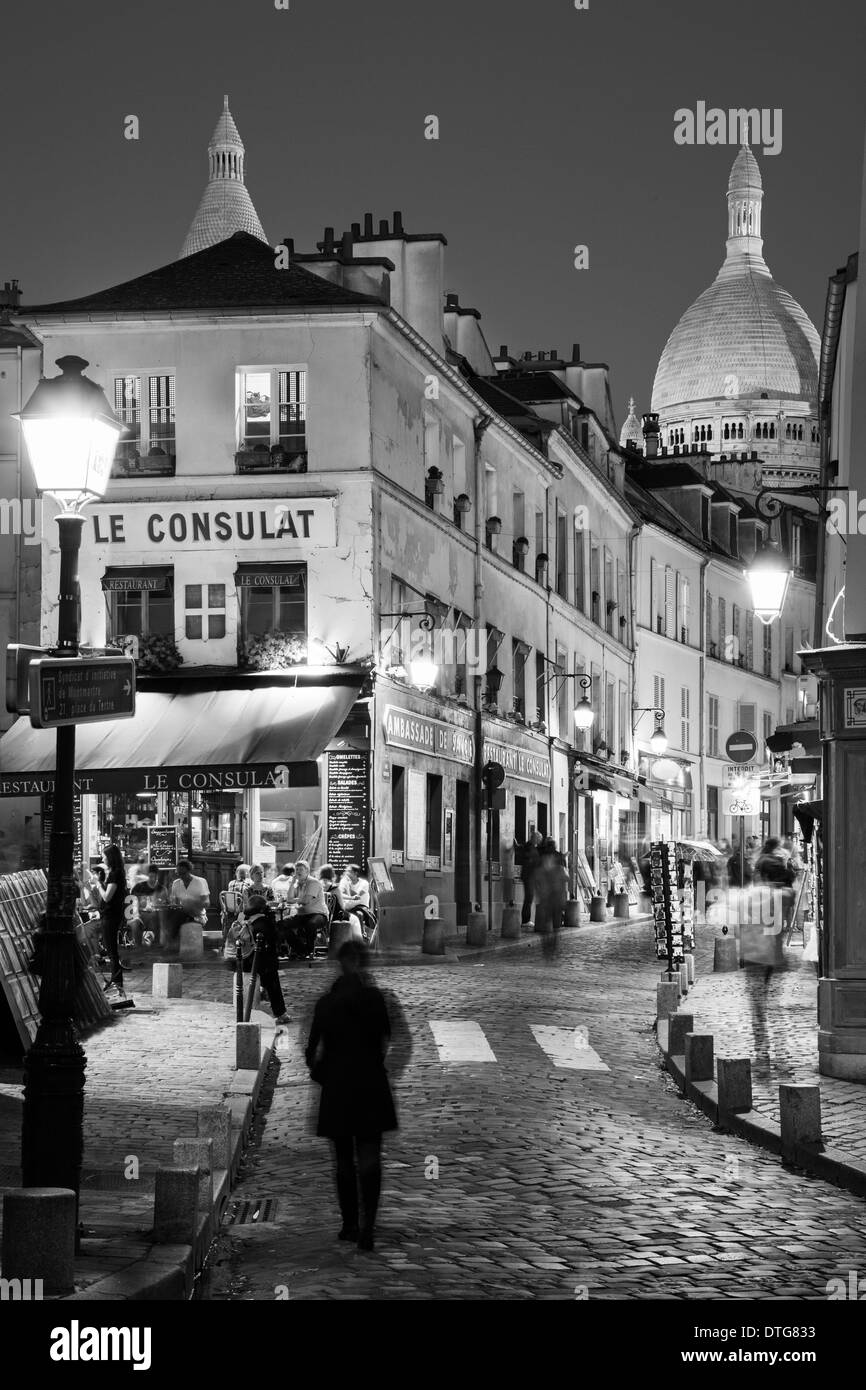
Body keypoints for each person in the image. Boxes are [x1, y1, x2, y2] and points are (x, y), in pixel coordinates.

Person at [304, 941, 398, 1251]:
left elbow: (310, 1051)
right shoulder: (376, 999)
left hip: (338, 1087)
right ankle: (368, 1226)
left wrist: (320, 1073)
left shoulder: (326, 1003)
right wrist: (378, 1065)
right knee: (370, 1155)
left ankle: (349, 1224)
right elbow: (388, 1039)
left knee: (343, 1158)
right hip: (371, 1083)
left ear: (340, 964)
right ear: (363, 964)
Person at [243, 894, 290, 1025]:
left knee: (270, 980)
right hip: (266, 962)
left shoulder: (257, 923)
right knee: (272, 982)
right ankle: (280, 1012)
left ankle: (275, 1010)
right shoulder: (264, 921)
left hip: (256, 962)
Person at [88, 845, 128, 993]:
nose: (102, 858)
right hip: (111, 914)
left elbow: (107, 896)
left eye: (104, 855)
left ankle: (117, 982)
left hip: (111, 916)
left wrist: (97, 883)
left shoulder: (115, 874)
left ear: (110, 857)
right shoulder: (115, 873)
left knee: (111, 951)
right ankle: (116, 981)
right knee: (111, 949)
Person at [287, 859, 328, 958]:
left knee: (311, 924)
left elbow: (306, 900)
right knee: (282, 924)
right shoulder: (297, 884)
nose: (298, 872)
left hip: (318, 914)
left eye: (301, 869)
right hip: (303, 915)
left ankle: (309, 950)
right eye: (296, 869)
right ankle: (301, 949)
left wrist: (294, 900)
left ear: (307, 871)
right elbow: (289, 899)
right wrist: (292, 883)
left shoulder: (313, 882)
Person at [167, 861, 211, 950]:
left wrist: (192, 903)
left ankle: (178, 948)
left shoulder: (200, 882)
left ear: (189, 871)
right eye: (178, 874)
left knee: (179, 922)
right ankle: (173, 948)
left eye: (183, 874)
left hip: (197, 914)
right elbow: (175, 903)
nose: (181, 876)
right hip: (181, 914)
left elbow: (207, 903)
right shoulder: (176, 883)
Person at [129, 864, 169, 947]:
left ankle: (156, 945)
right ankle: (138, 947)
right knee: (135, 923)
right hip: (140, 915)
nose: (153, 879)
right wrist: (135, 914)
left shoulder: (162, 889)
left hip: (157, 916)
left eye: (155, 877)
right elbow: (131, 904)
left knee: (160, 920)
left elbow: (166, 905)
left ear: (157, 876)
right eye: (150, 876)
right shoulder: (138, 887)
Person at [520, 830, 542, 927]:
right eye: (538, 839)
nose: (539, 841)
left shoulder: (531, 847)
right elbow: (529, 861)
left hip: (531, 876)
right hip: (529, 876)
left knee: (529, 898)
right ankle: (525, 920)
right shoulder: (529, 847)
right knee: (528, 898)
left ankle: (526, 919)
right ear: (535, 838)